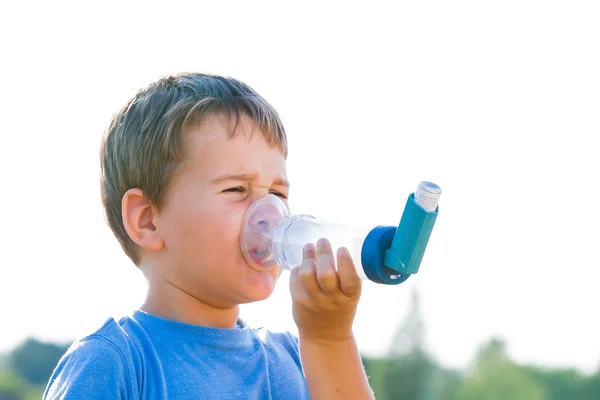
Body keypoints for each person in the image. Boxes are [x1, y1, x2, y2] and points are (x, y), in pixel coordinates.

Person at [43, 73, 374, 399]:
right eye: (236, 189)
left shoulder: (298, 359)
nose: (269, 216)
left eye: (277, 193)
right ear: (148, 221)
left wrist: (329, 340)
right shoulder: (116, 361)